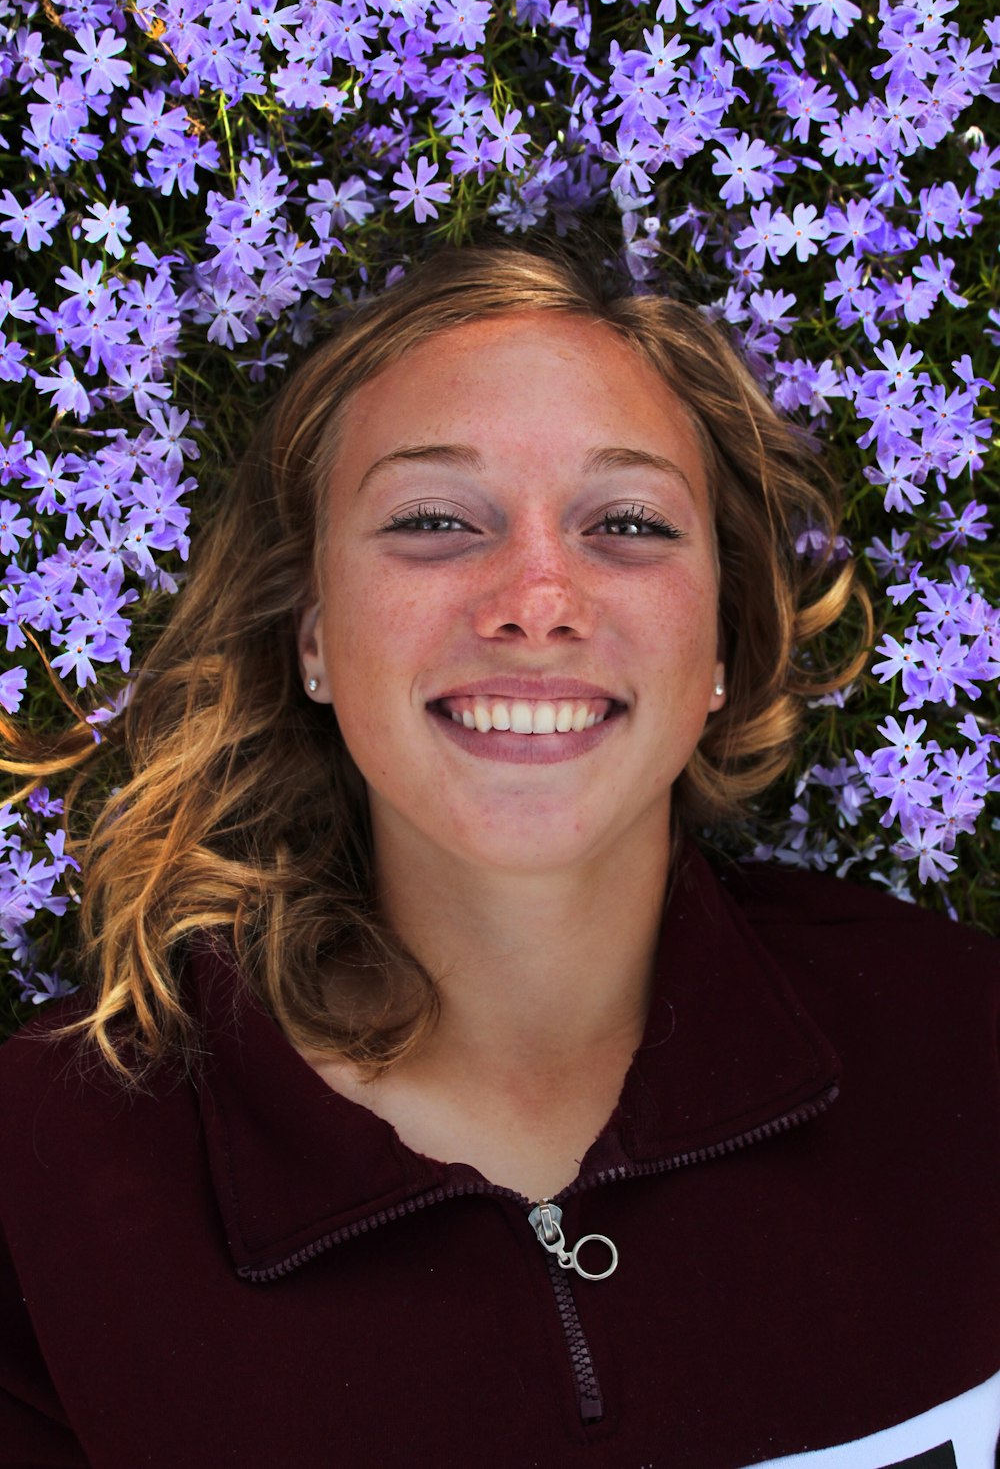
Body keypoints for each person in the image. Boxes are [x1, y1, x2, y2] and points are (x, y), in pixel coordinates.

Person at [0, 244, 997, 1469]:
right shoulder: (41, 1183)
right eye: (431, 521)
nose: (537, 597)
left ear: (724, 639)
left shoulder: (964, 1040)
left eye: (627, 523)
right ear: (311, 633)